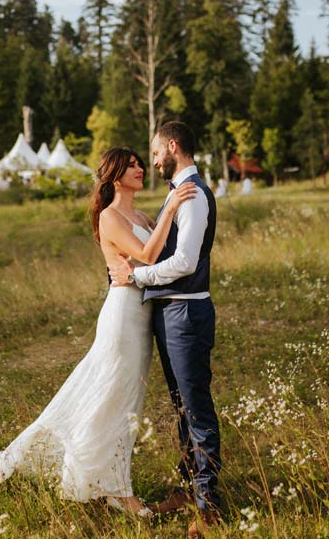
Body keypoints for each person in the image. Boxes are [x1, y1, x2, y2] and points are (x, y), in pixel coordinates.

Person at [0, 146, 197, 518]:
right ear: (115, 175)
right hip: (122, 316)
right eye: (131, 165)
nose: (139, 168)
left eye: (139, 163)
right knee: (112, 400)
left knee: (124, 401)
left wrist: (168, 215)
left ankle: (103, 481)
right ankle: (115, 489)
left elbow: (161, 254)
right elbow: (148, 256)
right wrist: (174, 209)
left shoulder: (142, 214)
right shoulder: (110, 217)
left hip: (143, 317)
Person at [109, 121, 222, 538]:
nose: (154, 160)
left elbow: (186, 263)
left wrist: (136, 277)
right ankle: (187, 489)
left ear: (173, 146)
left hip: (186, 314)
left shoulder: (192, 196)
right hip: (170, 313)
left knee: (196, 408)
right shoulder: (177, 194)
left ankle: (208, 507)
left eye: (155, 152)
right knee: (181, 409)